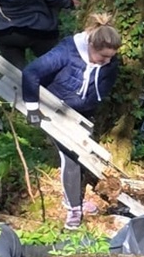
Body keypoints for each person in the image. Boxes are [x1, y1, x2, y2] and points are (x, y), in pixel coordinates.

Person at [21, 13, 120, 229]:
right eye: (103, 57)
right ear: (91, 46)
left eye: (110, 58)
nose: (107, 62)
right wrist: (32, 108)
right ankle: (74, 208)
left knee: (85, 155)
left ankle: (77, 198)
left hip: (83, 114)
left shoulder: (109, 61)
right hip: (56, 111)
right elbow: (31, 72)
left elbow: (102, 84)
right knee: (71, 157)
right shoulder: (67, 52)